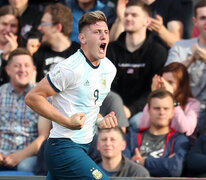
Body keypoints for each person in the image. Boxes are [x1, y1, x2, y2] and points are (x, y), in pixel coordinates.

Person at [25, 11, 118, 179]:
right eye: (97, 32)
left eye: (105, 32)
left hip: (83, 146)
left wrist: (100, 120)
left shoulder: (109, 69)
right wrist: (67, 122)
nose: (103, 36)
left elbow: (89, 104)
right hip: (62, 148)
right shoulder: (70, 68)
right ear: (82, 39)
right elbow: (33, 97)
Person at [107, 0, 167, 119]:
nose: (128, 18)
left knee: (136, 121)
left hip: (143, 110)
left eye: (134, 15)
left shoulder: (157, 52)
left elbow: (153, 90)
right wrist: (117, 109)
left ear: (147, 21)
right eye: (126, 15)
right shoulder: (111, 50)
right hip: (112, 110)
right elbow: (105, 86)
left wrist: (131, 110)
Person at [0, 47, 51, 172]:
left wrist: (19, 156)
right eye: (17, 66)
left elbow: (43, 136)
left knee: (25, 166)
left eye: (26, 66)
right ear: (8, 70)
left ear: (33, 69)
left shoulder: (43, 96)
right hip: (1, 153)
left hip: (29, 156)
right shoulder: (0, 93)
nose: (22, 70)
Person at [126, 89, 190, 177]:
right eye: (157, 108)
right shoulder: (132, 136)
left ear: (173, 112)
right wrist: (165, 162)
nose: (161, 112)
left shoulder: (180, 140)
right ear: (148, 110)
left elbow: (175, 168)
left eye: (166, 108)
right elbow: (122, 166)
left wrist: (142, 162)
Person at [166, 0, 206, 133]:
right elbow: (166, 79)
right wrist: (189, 61)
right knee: (137, 121)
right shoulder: (180, 46)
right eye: (203, 18)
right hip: (181, 106)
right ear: (195, 21)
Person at [138, 62, 200, 137]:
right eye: (163, 81)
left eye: (170, 82)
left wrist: (172, 100)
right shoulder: (158, 101)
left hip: (180, 144)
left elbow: (185, 130)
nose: (165, 86)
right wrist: (153, 95)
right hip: (158, 141)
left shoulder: (192, 104)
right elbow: (143, 125)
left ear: (181, 85)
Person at [33, 3, 80, 82]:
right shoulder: (39, 52)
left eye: (43, 23)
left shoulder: (79, 53)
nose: (39, 28)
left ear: (57, 27)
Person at [110, 0, 183, 49]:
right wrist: (121, 19)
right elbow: (112, 43)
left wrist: (160, 29)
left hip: (158, 58)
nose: (129, 17)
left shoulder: (171, 3)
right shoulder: (128, 3)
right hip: (127, 57)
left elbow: (177, 44)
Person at [0, 5, 19, 85]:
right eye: (4, 24)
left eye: (13, 26)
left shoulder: (22, 52)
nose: (8, 29)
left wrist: (12, 55)